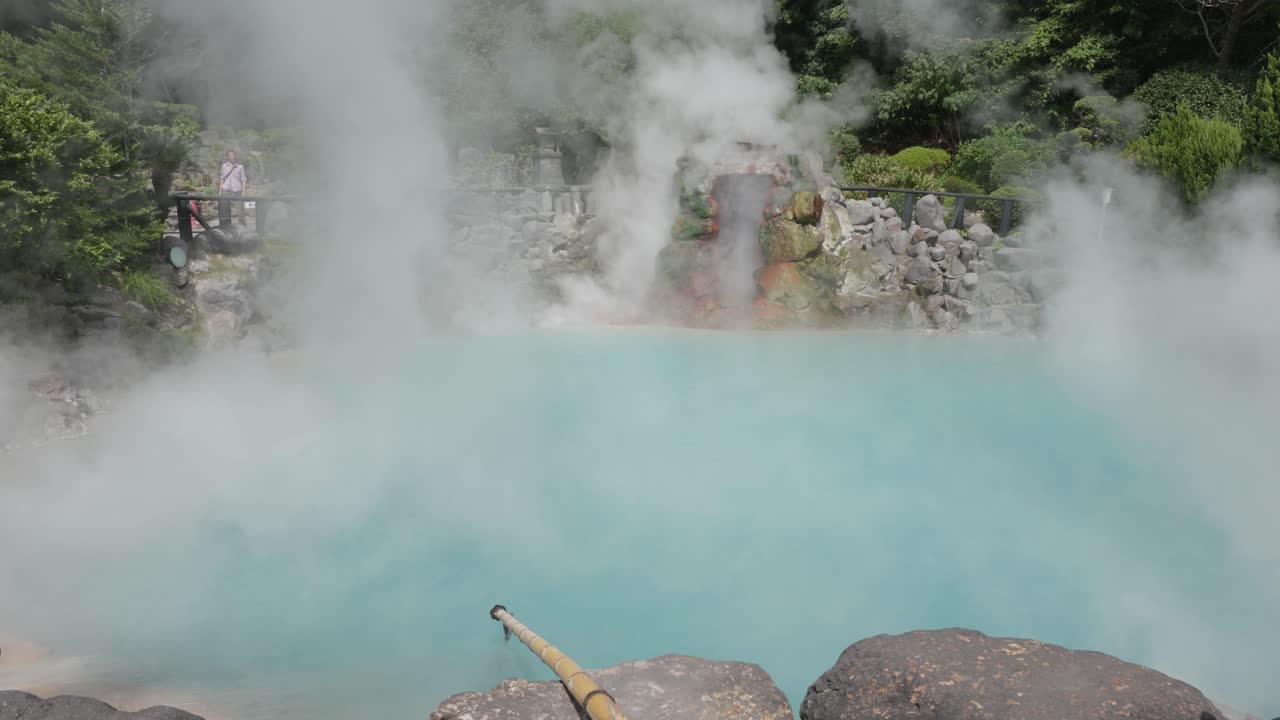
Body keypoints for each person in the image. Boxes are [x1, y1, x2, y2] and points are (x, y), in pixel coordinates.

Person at [218, 150, 248, 227]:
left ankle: (243, 228)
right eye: (230, 155)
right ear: (227, 157)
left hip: (237, 191)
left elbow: (243, 179)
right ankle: (226, 228)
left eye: (233, 155)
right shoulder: (224, 166)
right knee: (225, 211)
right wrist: (220, 191)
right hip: (226, 190)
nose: (232, 157)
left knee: (240, 211)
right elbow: (222, 178)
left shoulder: (240, 167)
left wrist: (244, 192)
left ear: (235, 156)